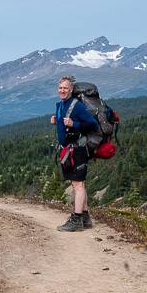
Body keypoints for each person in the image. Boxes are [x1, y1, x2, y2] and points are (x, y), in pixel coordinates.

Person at [50, 75, 99, 231]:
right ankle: (85, 218)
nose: (62, 90)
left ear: (71, 90)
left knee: (78, 185)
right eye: (60, 88)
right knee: (77, 184)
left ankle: (77, 220)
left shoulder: (76, 105)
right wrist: (56, 121)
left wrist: (74, 124)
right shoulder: (61, 105)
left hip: (77, 149)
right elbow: (64, 126)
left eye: (65, 88)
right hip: (68, 150)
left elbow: (92, 124)